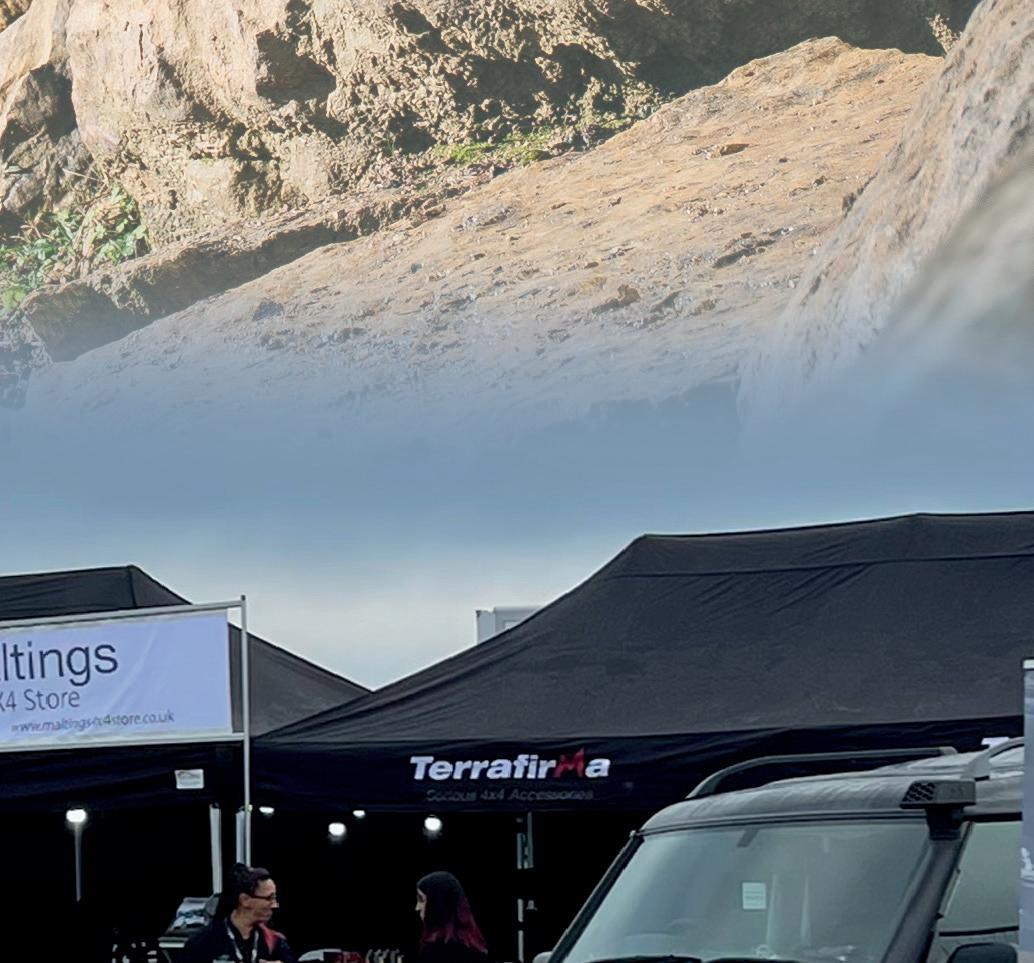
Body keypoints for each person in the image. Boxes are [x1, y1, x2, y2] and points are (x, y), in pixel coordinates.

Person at [181, 862, 297, 963]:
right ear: (244, 900)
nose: (275, 905)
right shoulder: (202, 943)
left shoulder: (276, 944)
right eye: (269, 898)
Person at [415, 872, 489, 963]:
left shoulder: (433, 952)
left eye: (421, 899)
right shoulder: (478, 950)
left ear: (437, 904)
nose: (417, 907)